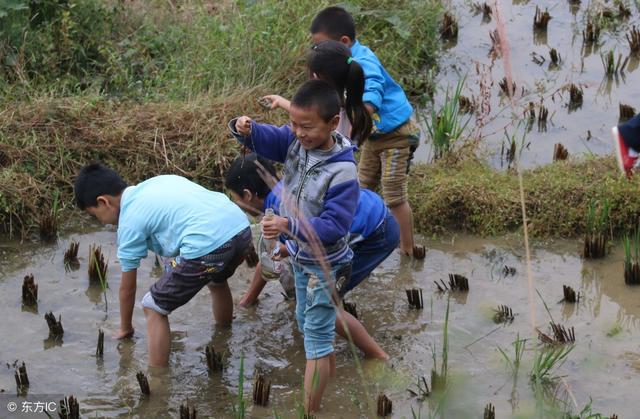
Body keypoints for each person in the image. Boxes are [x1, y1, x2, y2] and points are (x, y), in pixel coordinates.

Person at [229, 80, 378, 412]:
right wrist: (246, 130)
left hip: (327, 265)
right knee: (309, 324)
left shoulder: (342, 171)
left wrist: (287, 227)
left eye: (306, 126)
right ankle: (330, 385)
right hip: (302, 257)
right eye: (294, 123)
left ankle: (309, 411)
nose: (298, 132)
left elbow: (333, 226)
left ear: (333, 122)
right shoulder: (296, 143)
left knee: (316, 340)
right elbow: (269, 139)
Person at [73, 163, 251, 367]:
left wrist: (125, 328)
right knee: (216, 281)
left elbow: (127, 288)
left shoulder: (129, 221)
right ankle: (224, 335)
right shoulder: (156, 183)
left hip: (209, 247)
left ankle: (158, 379)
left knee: (153, 306)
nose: (101, 222)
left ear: (103, 202)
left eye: (95, 215)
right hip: (241, 230)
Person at [224, 153, 395, 355]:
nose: (237, 204)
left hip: (375, 233)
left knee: (323, 305)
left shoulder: (281, 210)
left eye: (235, 199)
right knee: (314, 294)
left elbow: (306, 245)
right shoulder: (283, 190)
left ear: (248, 195)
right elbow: (270, 256)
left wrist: (247, 301)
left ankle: (378, 356)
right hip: (373, 211)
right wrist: (249, 299)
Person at [309, 6, 425, 259]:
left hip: (396, 134)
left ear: (344, 42)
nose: (319, 53)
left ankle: (407, 251)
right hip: (373, 137)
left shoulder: (363, 60)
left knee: (394, 195)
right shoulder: (341, 64)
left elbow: (373, 87)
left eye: (322, 46)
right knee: (359, 190)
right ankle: (364, 237)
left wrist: (363, 109)